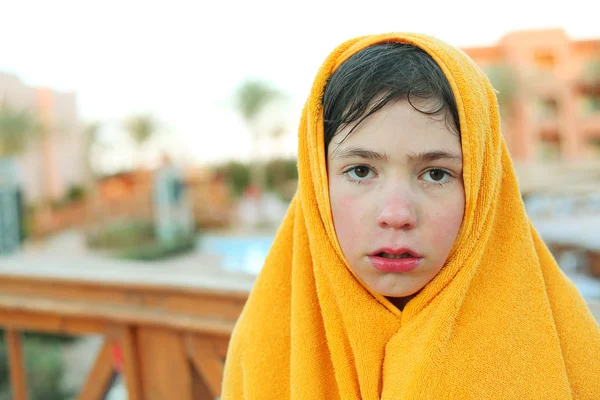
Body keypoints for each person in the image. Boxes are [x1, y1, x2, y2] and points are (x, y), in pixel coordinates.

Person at [222, 33, 600, 399]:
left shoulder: (567, 350)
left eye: (436, 173)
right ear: (318, 181)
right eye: (360, 170)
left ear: (484, 188)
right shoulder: (262, 341)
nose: (397, 215)